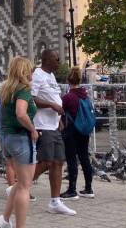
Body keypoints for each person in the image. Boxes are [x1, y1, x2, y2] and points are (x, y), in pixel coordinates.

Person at [31, 50, 76, 215]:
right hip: (42, 125)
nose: (59, 61)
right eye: (56, 59)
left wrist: (59, 120)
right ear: (46, 59)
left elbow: (55, 97)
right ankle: (19, 186)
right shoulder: (37, 75)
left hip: (54, 125)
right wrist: (52, 105)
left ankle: (55, 201)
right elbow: (32, 99)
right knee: (46, 162)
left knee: (58, 161)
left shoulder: (51, 76)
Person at [0, 57, 37, 228]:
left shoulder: (6, 89)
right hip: (20, 138)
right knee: (25, 186)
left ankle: (4, 219)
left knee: (19, 183)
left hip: (6, 138)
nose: (33, 73)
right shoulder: (23, 89)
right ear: (24, 71)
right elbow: (21, 113)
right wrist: (33, 129)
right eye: (31, 70)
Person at [60, 66, 95, 199]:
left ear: (68, 80)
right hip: (84, 131)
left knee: (71, 159)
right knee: (84, 157)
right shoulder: (85, 96)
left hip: (71, 131)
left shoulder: (68, 97)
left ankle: (72, 189)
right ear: (80, 79)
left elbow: (60, 112)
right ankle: (88, 188)